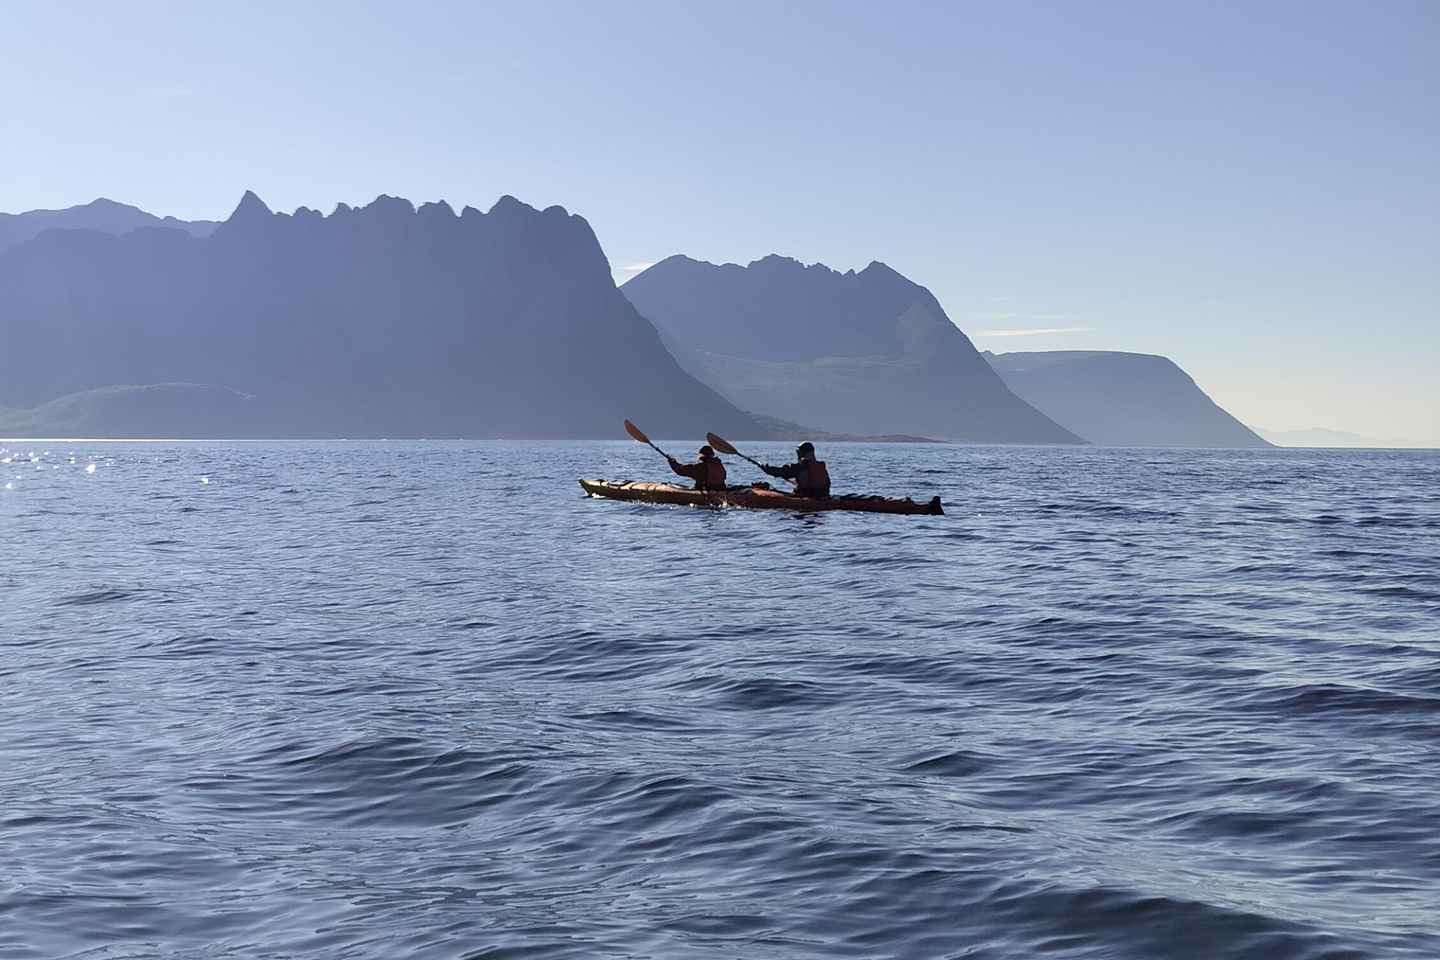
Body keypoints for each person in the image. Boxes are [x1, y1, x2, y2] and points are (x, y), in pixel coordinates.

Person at [763, 441, 831, 498]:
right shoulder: (821, 466)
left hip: (807, 496)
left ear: (801, 453)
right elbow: (827, 483)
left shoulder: (801, 466)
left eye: (799, 452)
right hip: (822, 496)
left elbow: (782, 472)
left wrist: (767, 469)